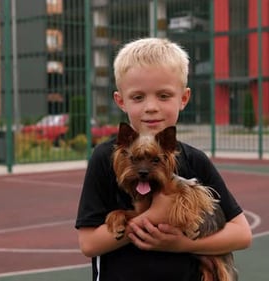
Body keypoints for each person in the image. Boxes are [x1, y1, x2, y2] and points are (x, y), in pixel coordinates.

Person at [75, 37, 252, 281]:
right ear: (120, 101)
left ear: (184, 98)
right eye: (138, 97)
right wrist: (152, 216)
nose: (151, 107)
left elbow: (242, 234)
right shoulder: (105, 157)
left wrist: (180, 244)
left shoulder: (195, 160)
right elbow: (89, 244)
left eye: (164, 96)